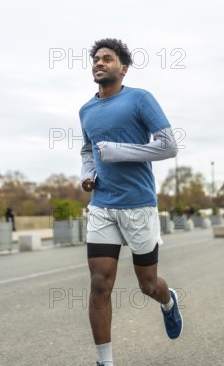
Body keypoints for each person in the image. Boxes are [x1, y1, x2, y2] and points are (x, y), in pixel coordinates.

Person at [79, 38, 182, 366]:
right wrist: (87, 171)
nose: (99, 62)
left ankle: (168, 301)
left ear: (123, 68)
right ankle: (104, 362)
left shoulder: (140, 99)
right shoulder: (85, 110)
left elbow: (168, 146)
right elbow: (87, 149)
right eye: (96, 58)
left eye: (107, 58)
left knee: (148, 284)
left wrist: (118, 152)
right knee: (99, 284)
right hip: (102, 206)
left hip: (138, 204)